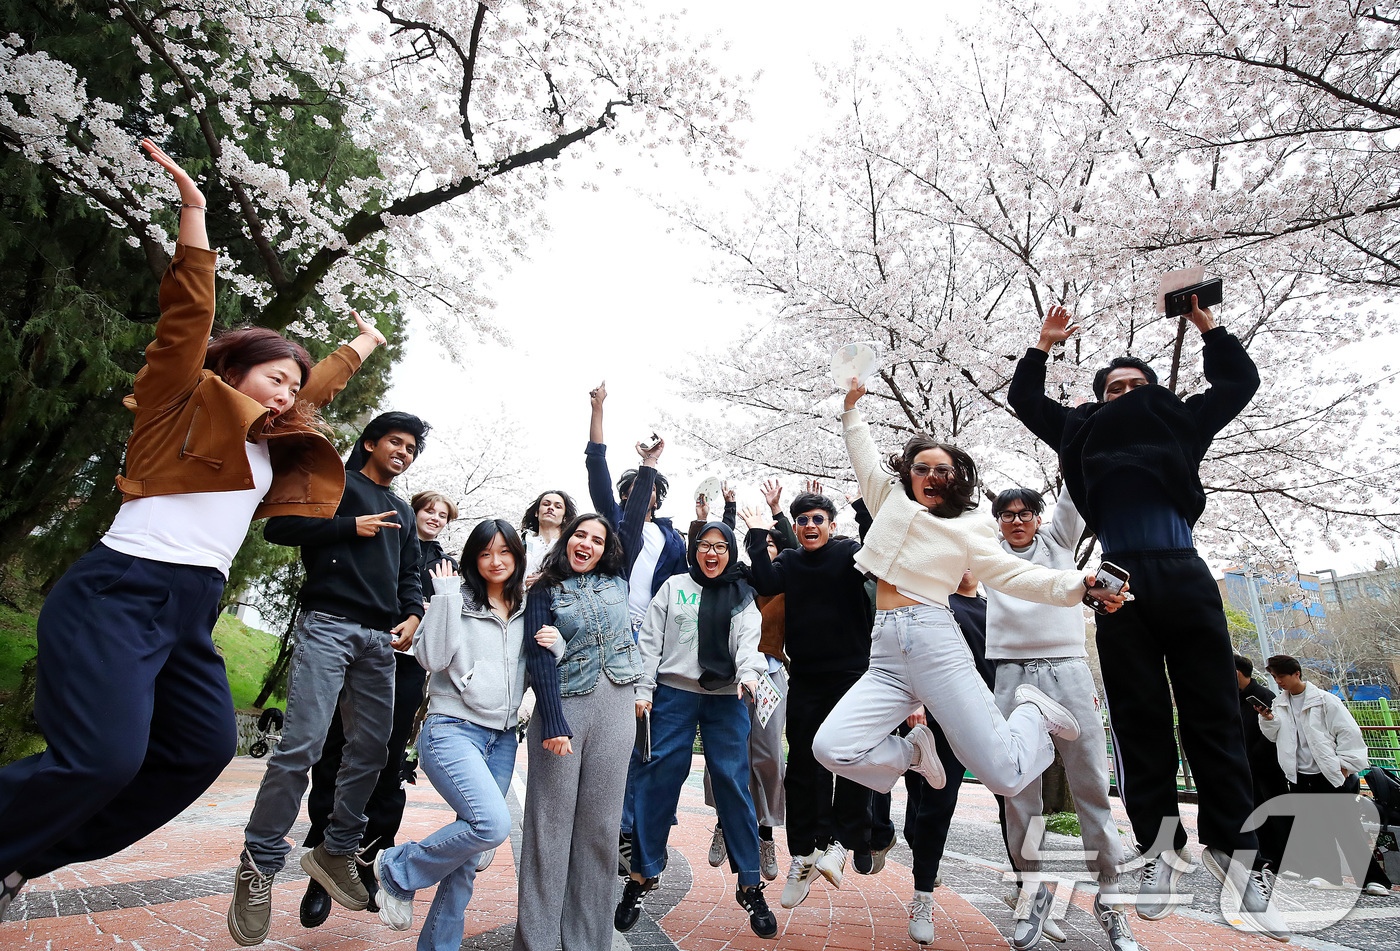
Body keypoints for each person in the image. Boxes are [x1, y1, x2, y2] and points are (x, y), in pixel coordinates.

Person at [0, 140, 381, 917]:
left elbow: (315, 385)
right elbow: (187, 317)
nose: (285, 395)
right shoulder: (176, 404)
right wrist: (195, 214)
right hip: (120, 590)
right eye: (274, 377)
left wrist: (362, 343)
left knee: (198, 751)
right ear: (235, 369)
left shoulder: (273, 443)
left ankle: (24, 858)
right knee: (102, 759)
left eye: (292, 388)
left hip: (190, 612)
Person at [1006, 300, 1286, 940]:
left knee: (1214, 716)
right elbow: (1027, 400)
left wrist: (1207, 328)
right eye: (1113, 388)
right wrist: (1043, 345)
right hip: (1117, 583)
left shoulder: (1182, 420)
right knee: (1140, 723)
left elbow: (1240, 383)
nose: (1125, 395)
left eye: (1135, 386)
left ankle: (1238, 857)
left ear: (1156, 393)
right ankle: (1161, 851)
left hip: (1184, 572)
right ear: (1099, 398)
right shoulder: (1081, 431)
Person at [809, 378, 1122, 869]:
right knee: (832, 748)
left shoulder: (971, 527)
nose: (931, 475)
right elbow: (862, 453)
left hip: (935, 642)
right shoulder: (887, 502)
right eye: (921, 468)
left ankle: (1035, 714)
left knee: (1006, 776)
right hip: (886, 652)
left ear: (956, 479)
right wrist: (850, 407)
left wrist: (1078, 585)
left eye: (943, 469)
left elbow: (1015, 573)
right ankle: (915, 752)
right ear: (908, 475)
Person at [231, 412, 428, 946]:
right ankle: (260, 863)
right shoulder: (336, 484)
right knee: (303, 747)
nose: (403, 452)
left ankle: (335, 849)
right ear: (371, 442)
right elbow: (279, 527)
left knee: (372, 752)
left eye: (411, 448)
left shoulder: (405, 513)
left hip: (377, 640)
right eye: (395, 441)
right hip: (328, 627)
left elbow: (410, 574)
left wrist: (412, 615)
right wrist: (349, 525)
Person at [512, 440, 656, 951]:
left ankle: (587, 940)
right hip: (564, 710)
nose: (588, 544)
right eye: (581, 535)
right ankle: (537, 940)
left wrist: (648, 468)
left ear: (605, 548)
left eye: (597, 539)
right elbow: (537, 660)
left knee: (598, 829)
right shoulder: (543, 590)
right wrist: (552, 722)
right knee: (549, 830)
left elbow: (633, 524)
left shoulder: (617, 578)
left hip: (617, 706)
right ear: (567, 540)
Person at [372, 519, 543, 947]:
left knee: (466, 859)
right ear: (472, 559)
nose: (495, 561)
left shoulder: (529, 605)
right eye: (485, 553)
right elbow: (430, 658)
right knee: (490, 825)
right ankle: (397, 869)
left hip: (502, 738)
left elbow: (539, 666)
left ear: (518, 557)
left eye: (504, 552)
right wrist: (445, 599)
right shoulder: (457, 598)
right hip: (451, 730)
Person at [298, 489, 460, 928]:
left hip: (405, 669)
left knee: (386, 762)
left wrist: (423, 613)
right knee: (335, 752)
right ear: (414, 511)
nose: (435, 518)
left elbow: (449, 622)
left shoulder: (448, 567)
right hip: (357, 652)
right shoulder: (385, 536)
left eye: (443, 515)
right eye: (429, 509)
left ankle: (368, 859)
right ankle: (325, 855)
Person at [983, 489, 1135, 951]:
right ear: (997, 520)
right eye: (1006, 515)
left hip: (1067, 669)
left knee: (1091, 782)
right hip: (1012, 672)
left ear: (1036, 516)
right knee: (1018, 790)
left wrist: (1080, 421)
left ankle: (1110, 898)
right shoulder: (987, 551)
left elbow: (1072, 494)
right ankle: (1032, 890)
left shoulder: (1058, 543)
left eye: (1023, 513)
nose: (1015, 521)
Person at [614, 520, 777, 939]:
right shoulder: (672, 586)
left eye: (721, 547)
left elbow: (749, 643)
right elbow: (649, 642)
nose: (712, 553)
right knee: (656, 777)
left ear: (731, 553)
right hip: (672, 693)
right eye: (705, 545)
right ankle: (643, 873)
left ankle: (750, 883)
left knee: (732, 780)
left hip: (727, 696)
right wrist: (643, 689)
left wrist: (749, 676)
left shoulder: (742, 595)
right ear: (694, 549)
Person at [742, 489, 876, 907]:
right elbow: (764, 581)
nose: (810, 526)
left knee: (851, 759)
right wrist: (756, 532)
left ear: (831, 525)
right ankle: (804, 852)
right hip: (806, 679)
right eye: (802, 521)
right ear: (795, 528)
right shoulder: (788, 561)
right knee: (803, 762)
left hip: (852, 676)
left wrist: (863, 506)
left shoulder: (849, 554)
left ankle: (842, 841)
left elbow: (879, 552)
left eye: (818, 519)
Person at [704, 478, 798, 883]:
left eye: (774, 546)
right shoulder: (739, 581)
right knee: (726, 752)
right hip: (733, 676)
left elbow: (796, 552)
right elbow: (719, 554)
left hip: (773, 675)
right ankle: (725, 821)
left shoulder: (786, 585)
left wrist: (779, 514)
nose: (769, 554)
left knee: (768, 755)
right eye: (763, 545)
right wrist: (727, 511)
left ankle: (765, 833)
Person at [1258, 655, 1390, 896]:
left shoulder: (1325, 701)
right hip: (1300, 775)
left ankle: (1373, 879)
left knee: (1347, 826)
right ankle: (1328, 875)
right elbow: (1276, 736)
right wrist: (1267, 719)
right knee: (1314, 827)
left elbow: (1348, 732)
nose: (1278, 682)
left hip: (1328, 773)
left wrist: (1346, 764)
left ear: (1296, 673)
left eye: (1282, 676)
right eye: (1275, 677)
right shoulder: (1280, 703)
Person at [1234, 655, 1289, 875]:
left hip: (1267, 769)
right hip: (1246, 768)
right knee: (1256, 814)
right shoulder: (1233, 698)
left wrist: (1252, 757)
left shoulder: (1264, 696)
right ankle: (1266, 858)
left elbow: (1272, 734)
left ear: (1237, 672)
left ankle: (1286, 860)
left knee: (1278, 815)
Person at [521, 489, 577, 584]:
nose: (551, 508)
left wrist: (548, 579)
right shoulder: (521, 542)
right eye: (546, 504)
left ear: (564, 517)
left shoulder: (570, 546)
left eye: (558, 507)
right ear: (536, 513)